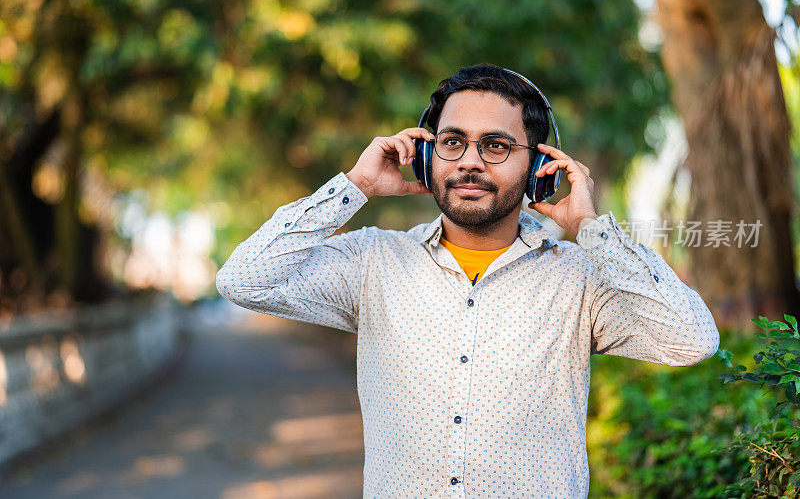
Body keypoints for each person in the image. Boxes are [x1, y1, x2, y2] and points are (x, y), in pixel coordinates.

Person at [216, 63, 720, 498]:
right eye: (453, 142)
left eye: (497, 146)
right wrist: (355, 186)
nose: (471, 161)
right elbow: (243, 279)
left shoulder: (581, 278)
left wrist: (591, 230)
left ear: (539, 167)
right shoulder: (372, 261)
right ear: (427, 155)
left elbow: (692, 340)